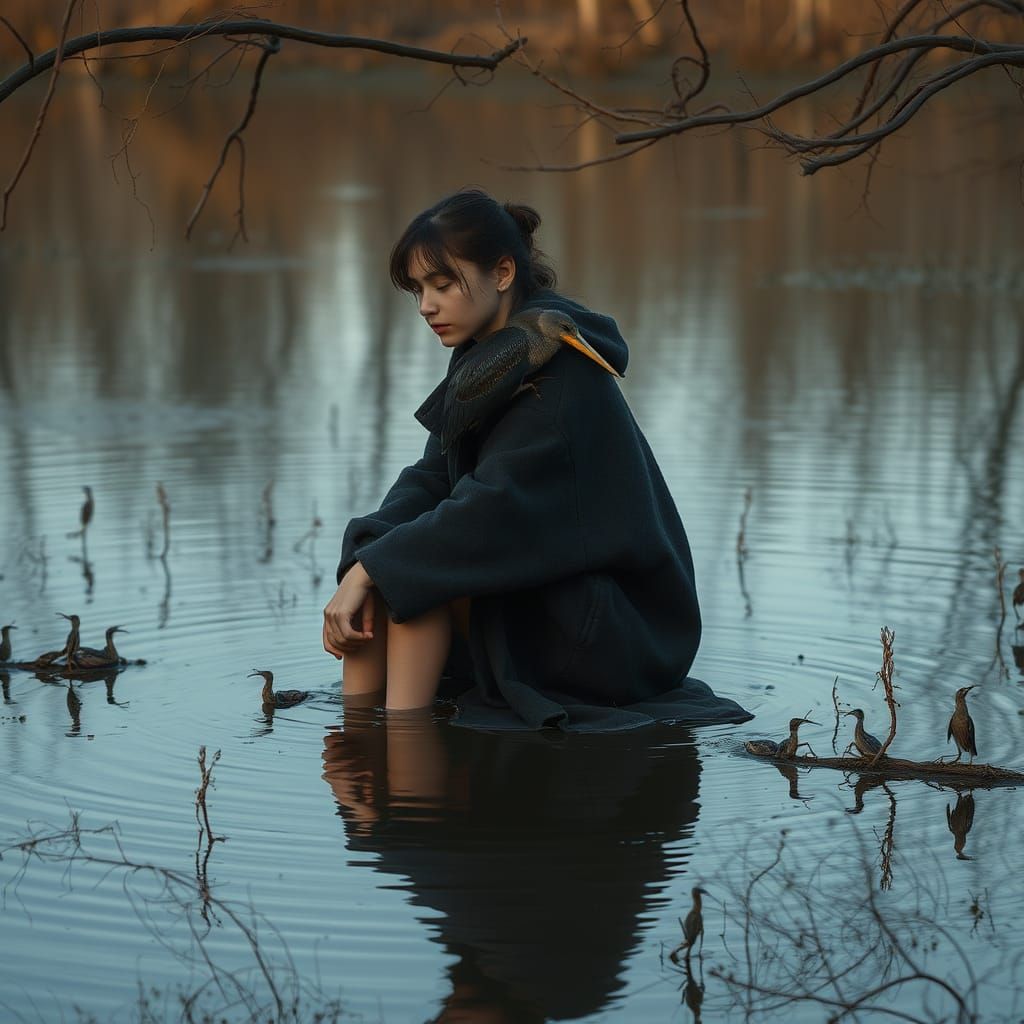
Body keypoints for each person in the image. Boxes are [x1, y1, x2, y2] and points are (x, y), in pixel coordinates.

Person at [323, 187, 751, 732]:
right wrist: (365, 555)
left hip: (618, 631)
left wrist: (380, 568)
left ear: (503, 273)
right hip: (558, 592)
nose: (427, 306)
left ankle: (404, 762)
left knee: (414, 579)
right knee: (391, 568)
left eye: (443, 283)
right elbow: (434, 476)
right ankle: (356, 739)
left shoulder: (561, 373)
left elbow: (495, 508)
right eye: (418, 290)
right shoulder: (488, 356)